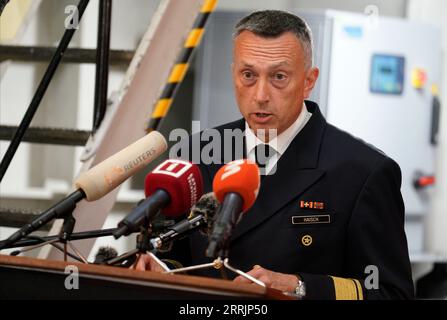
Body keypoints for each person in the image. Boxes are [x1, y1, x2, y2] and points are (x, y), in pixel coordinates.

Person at [137, 10, 414, 300]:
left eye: (279, 77)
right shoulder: (196, 153)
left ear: (309, 81)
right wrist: (156, 266)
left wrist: (298, 286)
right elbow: (171, 258)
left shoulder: (363, 172)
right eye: (248, 75)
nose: (260, 95)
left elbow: (390, 293)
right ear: (233, 74)